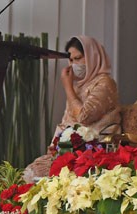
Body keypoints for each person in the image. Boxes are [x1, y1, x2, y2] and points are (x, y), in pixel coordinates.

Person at [24, 36, 121, 182]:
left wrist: (67, 87)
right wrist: (55, 148)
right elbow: (66, 121)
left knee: (37, 178)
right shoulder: (78, 85)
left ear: (92, 57)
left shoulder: (105, 83)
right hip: (71, 150)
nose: (73, 64)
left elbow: (84, 117)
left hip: (95, 151)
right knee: (29, 174)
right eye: (71, 60)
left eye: (78, 58)